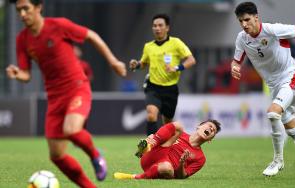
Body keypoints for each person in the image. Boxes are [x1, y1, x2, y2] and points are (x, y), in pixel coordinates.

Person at [6, 0, 126, 187]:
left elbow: (91, 35)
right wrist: (17, 74)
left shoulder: (58, 25)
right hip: (54, 97)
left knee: (71, 130)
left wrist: (113, 61)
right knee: (57, 156)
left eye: (26, 9)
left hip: (76, 87)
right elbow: (26, 74)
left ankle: (95, 155)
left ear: (38, 7)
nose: (22, 14)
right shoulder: (22, 39)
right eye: (19, 10)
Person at [231, 2, 295, 179]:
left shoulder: (272, 29)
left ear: (256, 18)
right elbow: (236, 60)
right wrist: (234, 67)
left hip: (291, 75)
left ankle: (278, 160)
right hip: (274, 85)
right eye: (240, 21)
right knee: (290, 126)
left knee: (272, 113)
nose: (244, 24)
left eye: (247, 20)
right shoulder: (241, 38)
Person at [129, 13, 196, 136]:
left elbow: (191, 60)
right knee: (151, 114)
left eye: (160, 25)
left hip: (170, 89)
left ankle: (170, 145)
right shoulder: (148, 46)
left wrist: (176, 67)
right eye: (154, 26)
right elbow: (144, 63)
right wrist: (136, 65)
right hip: (153, 87)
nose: (157, 28)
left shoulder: (176, 43)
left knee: (168, 122)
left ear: (167, 28)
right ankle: (151, 146)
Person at [113, 119, 221, 179]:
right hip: (152, 155)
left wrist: (181, 163)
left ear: (210, 140)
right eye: (209, 125)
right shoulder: (181, 134)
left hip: (163, 169)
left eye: (213, 131)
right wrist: (152, 138)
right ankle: (146, 147)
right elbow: (164, 133)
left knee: (168, 168)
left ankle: (134, 176)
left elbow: (182, 177)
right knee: (177, 126)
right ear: (198, 126)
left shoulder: (201, 158)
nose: (211, 129)